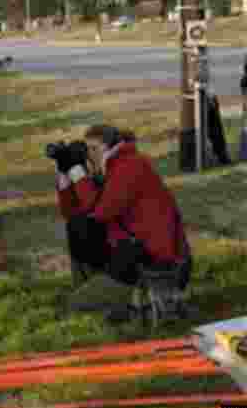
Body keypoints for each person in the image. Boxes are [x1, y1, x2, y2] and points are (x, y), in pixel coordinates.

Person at [54, 124, 192, 324]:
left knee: (76, 307)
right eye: (87, 149)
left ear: (112, 147)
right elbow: (71, 213)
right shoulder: (112, 169)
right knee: (77, 227)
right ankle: (106, 295)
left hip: (159, 263)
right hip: (133, 254)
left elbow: (99, 213)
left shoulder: (130, 167)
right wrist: (64, 174)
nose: (90, 155)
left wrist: (77, 171)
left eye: (94, 149)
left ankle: (123, 300)